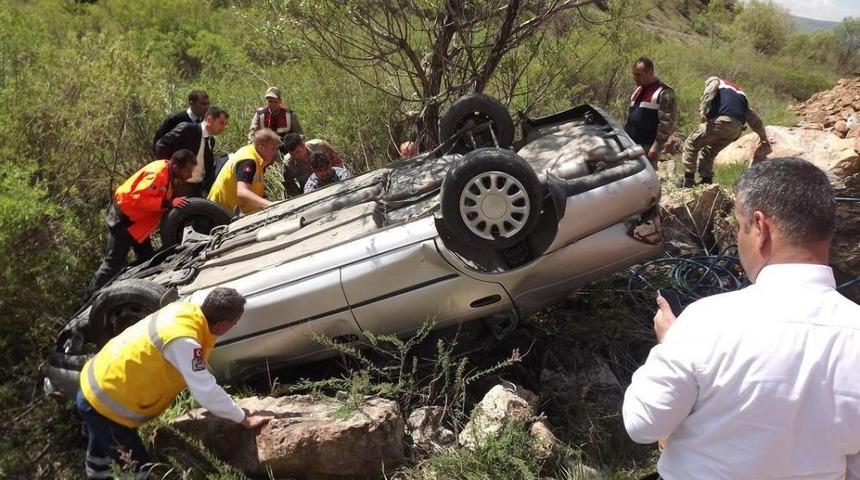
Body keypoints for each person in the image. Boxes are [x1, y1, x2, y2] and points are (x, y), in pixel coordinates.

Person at [623, 157, 860, 479]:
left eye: (738, 225)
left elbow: (642, 424)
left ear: (760, 228)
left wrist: (669, 344)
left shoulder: (705, 321)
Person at [77, 287, 273, 479]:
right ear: (224, 324)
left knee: (100, 455)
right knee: (139, 469)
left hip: (96, 385)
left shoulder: (186, 312)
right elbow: (204, 390)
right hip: (105, 405)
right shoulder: (184, 340)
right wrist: (243, 418)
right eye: (235, 322)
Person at [87, 150, 197, 295]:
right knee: (113, 263)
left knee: (148, 259)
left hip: (137, 225)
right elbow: (138, 198)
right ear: (176, 167)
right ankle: (91, 297)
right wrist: (168, 203)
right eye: (188, 171)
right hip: (124, 221)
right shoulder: (158, 174)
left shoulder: (169, 174)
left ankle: (145, 291)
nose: (190, 175)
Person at [680, 76, 770, 187]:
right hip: (736, 130)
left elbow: (709, 92)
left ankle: (688, 179)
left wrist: (702, 109)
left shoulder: (716, 81)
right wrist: (763, 136)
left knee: (691, 144)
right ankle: (706, 180)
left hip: (721, 122)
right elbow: (753, 118)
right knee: (709, 151)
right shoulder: (741, 95)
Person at [155, 106, 229, 196]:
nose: (223, 128)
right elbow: (161, 146)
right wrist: (170, 173)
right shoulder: (188, 129)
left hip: (198, 188)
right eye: (221, 123)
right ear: (209, 120)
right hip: (180, 186)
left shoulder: (210, 141)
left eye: (225, 125)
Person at [208, 129, 280, 215]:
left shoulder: (259, 159)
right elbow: (242, 192)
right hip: (221, 211)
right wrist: (270, 205)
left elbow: (255, 189)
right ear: (261, 148)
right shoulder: (249, 161)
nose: (275, 152)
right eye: (273, 149)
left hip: (233, 210)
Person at [623, 57, 677, 169]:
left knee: (645, 180)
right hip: (630, 143)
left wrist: (656, 146)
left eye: (638, 75)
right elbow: (631, 118)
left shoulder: (664, 92)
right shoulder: (637, 90)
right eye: (634, 74)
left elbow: (667, 123)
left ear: (650, 73)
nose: (635, 78)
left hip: (648, 147)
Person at [280, 133, 345, 197]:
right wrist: (301, 198)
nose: (295, 156)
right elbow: (289, 185)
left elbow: (337, 161)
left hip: (335, 184)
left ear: (303, 145)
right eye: (292, 154)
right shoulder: (288, 164)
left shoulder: (319, 146)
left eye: (297, 152)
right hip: (311, 193)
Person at [151, 90, 210, 154]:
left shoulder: (206, 121)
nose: (207, 107)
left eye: (208, 104)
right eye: (203, 104)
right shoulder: (175, 119)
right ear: (191, 103)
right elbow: (159, 143)